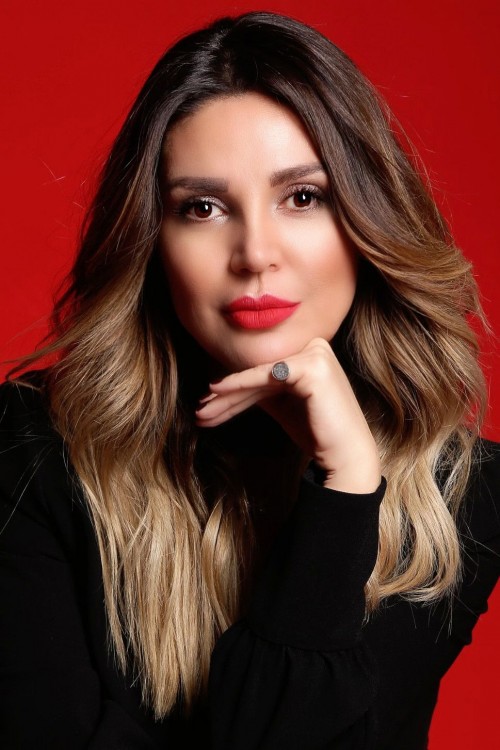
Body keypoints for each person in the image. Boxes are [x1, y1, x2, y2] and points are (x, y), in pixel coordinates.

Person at [0, 10, 498, 749]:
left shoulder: (460, 496)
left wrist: (346, 488)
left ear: (366, 222)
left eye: (303, 197)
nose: (255, 253)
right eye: (202, 208)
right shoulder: (32, 452)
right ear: (152, 240)